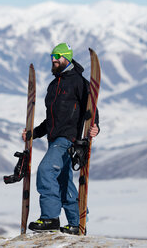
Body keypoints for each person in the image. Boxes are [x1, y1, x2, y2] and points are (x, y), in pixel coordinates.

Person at [22, 43, 100, 235]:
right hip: (54, 139)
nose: (53, 60)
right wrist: (34, 133)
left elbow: (91, 108)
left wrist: (95, 126)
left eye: (57, 56)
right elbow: (52, 119)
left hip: (68, 140)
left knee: (46, 170)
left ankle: (50, 217)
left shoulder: (79, 83)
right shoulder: (54, 85)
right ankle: (75, 224)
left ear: (66, 58)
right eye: (51, 56)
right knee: (64, 182)